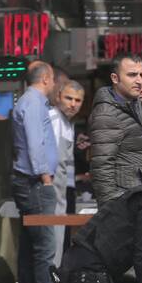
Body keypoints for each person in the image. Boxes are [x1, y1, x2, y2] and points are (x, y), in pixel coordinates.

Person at [11, 61, 60, 283]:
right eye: (53, 80)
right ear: (46, 78)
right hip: (34, 181)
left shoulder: (30, 101)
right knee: (43, 245)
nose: (54, 85)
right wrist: (45, 176)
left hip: (30, 181)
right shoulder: (33, 103)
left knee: (32, 245)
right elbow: (35, 142)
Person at [89, 53, 142, 206]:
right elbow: (102, 166)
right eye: (132, 75)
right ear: (115, 78)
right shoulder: (106, 113)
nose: (139, 81)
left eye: (141, 74)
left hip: (141, 195)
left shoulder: (133, 104)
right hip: (126, 202)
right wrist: (112, 211)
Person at [50, 80, 83, 266]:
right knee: (55, 241)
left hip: (65, 190)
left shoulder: (68, 123)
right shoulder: (55, 120)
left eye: (78, 100)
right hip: (55, 193)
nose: (72, 104)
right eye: (68, 98)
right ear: (58, 97)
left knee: (61, 241)